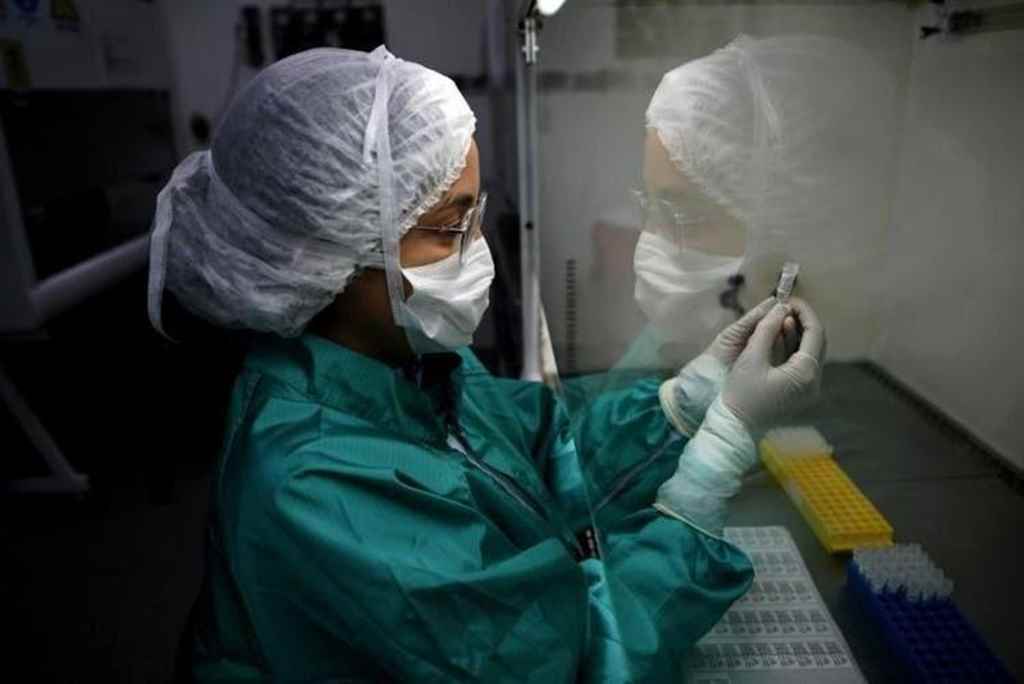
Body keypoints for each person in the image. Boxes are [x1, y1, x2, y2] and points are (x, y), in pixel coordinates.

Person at [149, 46, 824, 682]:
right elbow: (562, 662)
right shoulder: (314, 487)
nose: (479, 251)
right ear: (326, 254)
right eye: (451, 226)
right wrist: (711, 470)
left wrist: (683, 403)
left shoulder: (405, 365)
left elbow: (540, 448)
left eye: (477, 215)